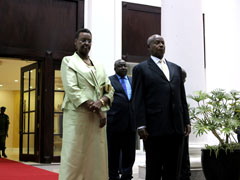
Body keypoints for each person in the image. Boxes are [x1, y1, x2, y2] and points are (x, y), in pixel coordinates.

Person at [132, 34, 191, 180]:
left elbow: (181, 97)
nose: (160, 45)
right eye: (156, 43)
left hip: (176, 128)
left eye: (162, 43)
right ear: (148, 47)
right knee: (154, 169)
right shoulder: (141, 69)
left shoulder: (176, 68)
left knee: (173, 170)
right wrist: (140, 125)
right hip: (154, 129)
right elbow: (137, 99)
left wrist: (187, 120)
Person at [59, 28, 114, 180]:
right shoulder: (68, 61)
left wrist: (101, 102)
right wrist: (98, 111)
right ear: (75, 42)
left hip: (98, 121)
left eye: (89, 41)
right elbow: (73, 90)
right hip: (78, 117)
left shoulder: (99, 65)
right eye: (83, 40)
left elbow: (109, 89)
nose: (86, 43)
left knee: (96, 158)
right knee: (74, 157)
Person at [107, 59, 136, 180]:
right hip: (115, 123)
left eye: (124, 66)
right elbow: (105, 98)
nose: (123, 68)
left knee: (129, 153)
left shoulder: (132, 80)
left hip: (131, 123)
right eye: (120, 66)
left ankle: (127, 175)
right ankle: (113, 176)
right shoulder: (109, 80)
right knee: (113, 152)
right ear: (115, 68)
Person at [180, 69, 191, 180]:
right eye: (183, 78)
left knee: (185, 153)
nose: (185, 81)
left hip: (183, 126)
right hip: (175, 127)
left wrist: (187, 123)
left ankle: (185, 175)